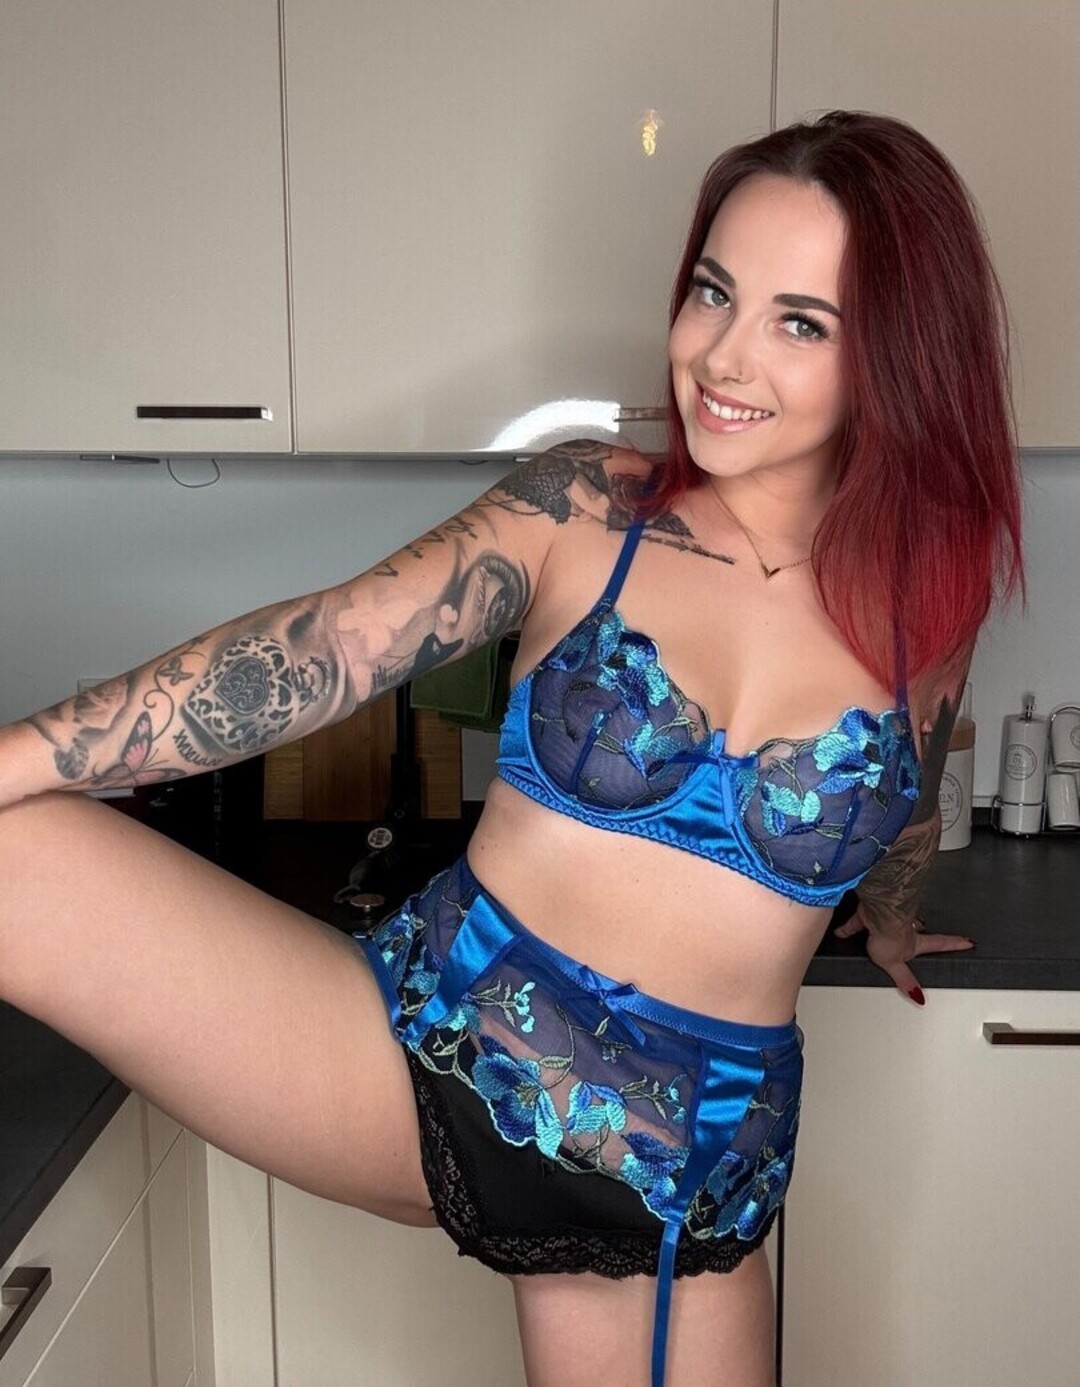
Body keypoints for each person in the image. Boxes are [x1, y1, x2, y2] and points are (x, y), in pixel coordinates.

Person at [0, 109, 1024, 1387]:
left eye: (799, 323)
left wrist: (892, 918)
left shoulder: (928, 601)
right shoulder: (585, 504)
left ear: (899, 356)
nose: (722, 355)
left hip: (685, 1168)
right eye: (713, 292)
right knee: (14, 856)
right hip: (443, 1050)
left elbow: (907, 790)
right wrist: (13, 755)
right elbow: (319, 651)